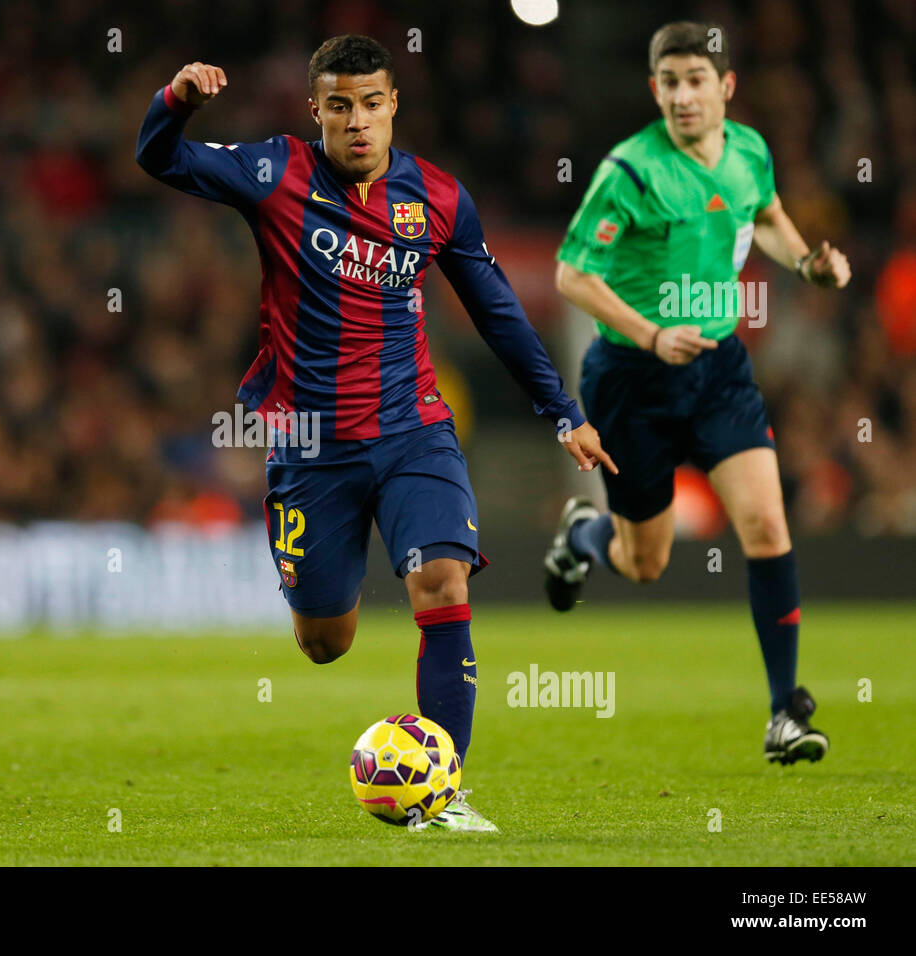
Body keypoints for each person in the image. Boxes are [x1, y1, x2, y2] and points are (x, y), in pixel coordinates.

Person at [137, 34, 615, 830]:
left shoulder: (436, 198)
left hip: (412, 433)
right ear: (314, 110)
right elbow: (159, 158)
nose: (357, 121)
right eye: (339, 106)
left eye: (371, 103)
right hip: (311, 448)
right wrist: (176, 101)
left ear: (393, 105)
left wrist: (561, 410)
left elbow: (496, 309)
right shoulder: (274, 173)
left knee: (442, 586)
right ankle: (333, 617)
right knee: (325, 641)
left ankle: (445, 789)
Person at [545, 21, 850, 765]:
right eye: (670, 83)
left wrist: (806, 261)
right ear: (655, 90)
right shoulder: (632, 170)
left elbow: (766, 216)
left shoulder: (748, 151)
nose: (683, 96)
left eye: (696, 80)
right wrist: (650, 336)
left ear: (725, 87)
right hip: (631, 381)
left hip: (717, 371)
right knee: (644, 562)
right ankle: (582, 538)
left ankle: (784, 712)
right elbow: (571, 275)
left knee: (767, 528)